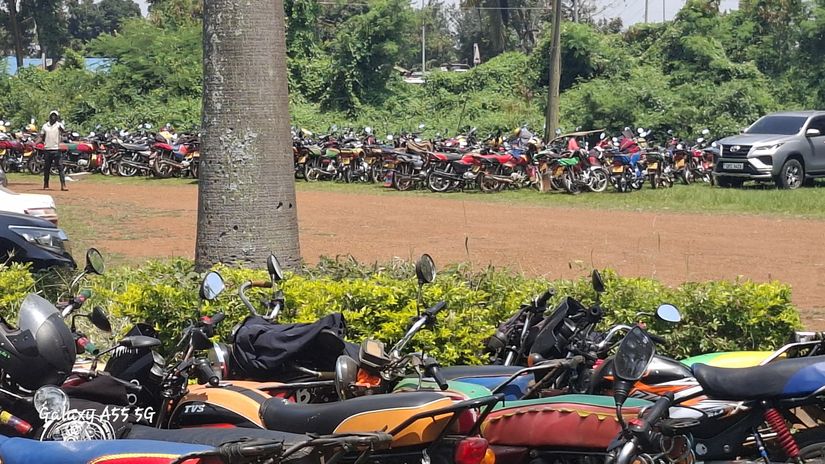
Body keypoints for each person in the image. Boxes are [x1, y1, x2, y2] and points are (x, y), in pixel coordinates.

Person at [39, 110, 67, 191]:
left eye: (55, 116)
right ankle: (46, 184)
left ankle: (63, 185)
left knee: (60, 168)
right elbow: (42, 136)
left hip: (56, 149)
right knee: (47, 168)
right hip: (47, 149)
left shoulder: (59, 125)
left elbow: (63, 131)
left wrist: (62, 128)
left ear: (57, 117)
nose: (53, 117)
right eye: (52, 115)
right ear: (50, 116)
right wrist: (35, 143)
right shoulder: (45, 126)